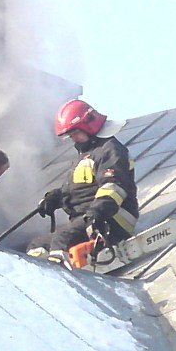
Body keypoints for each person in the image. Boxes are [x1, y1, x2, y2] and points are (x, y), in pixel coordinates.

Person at [27, 99, 138, 266]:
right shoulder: (87, 154)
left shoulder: (111, 150)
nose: (73, 138)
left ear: (88, 125)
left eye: (75, 133)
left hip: (113, 219)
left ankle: (63, 279)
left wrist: (97, 214)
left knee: (62, 238)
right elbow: (80, 190)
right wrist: (57, 198)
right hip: (87, 219)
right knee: (37, 245)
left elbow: (113, 187)